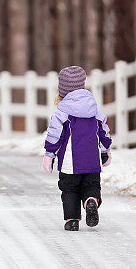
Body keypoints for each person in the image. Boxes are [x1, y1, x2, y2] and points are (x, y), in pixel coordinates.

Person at [42, 66, 113, 231]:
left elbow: (55, 135)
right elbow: (103, 131)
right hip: (92, 161)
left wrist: (49, 154)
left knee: (69, 189)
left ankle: (72, 220)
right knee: (91, 186)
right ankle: (90, 201)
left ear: (62, 90)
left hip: (70, 163)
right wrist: (105, 150)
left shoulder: (62, 112)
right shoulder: (93, 109)